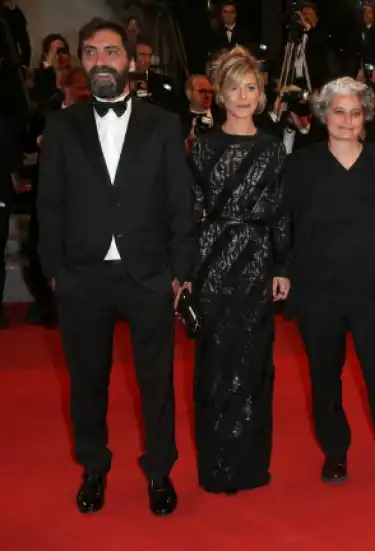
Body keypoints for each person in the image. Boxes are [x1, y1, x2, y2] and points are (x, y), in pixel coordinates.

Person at [36, 18, 196, 515]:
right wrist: (55, 270)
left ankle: (160, 472)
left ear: (129, 60)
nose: (100, 60)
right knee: (87, 382)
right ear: (81, 62)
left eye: (110, 51)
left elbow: (181, 202)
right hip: (83, 276)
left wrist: (180, 269)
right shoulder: (61, 127)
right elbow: (50, 205)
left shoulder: (165, 124)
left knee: (157, 383)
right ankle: (94, 468)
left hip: (149, 273)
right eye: (90, 52)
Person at [283, 77, 375, 487]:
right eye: (339, 111)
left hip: (373, 290)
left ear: (366, 117)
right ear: (324, 115)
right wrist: (283, 271)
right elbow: (285, 225)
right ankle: (335, 453)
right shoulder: (300, 165)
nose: (347, 120)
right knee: (325, 376)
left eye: (356, 112)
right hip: (318, 291)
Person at [190, 46, 290, 494]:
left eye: (251, 87)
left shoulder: (272, 148)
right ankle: (216, 466)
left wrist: (283, 265)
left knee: (253, 362)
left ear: (261, 93)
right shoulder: (204, 146)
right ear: (221, 95)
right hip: (213, 259)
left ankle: (249, 466)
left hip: (256, 257)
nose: (244, 96)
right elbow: (192, 210)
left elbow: (282, 212)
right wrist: (188, 272)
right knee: (215, 362)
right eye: (235, 88)